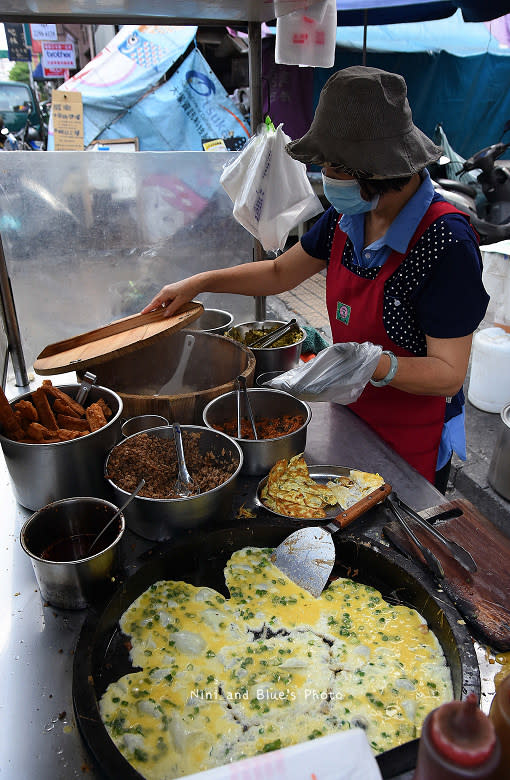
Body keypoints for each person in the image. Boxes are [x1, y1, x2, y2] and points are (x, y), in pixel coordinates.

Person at [142, 66, 489, 491]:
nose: (324, 176)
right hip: (352, 418)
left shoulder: (446, 244)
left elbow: (449, 373)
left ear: (373, 170)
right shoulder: (348, 216)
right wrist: (199, 282)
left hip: (410, 440)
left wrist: (370, 365)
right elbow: (277, 272)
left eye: (332, 166)